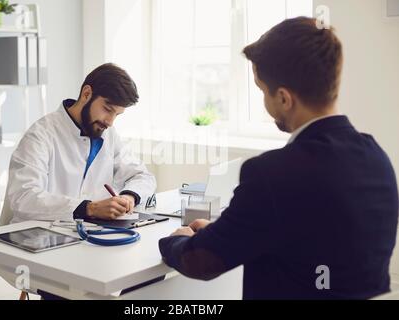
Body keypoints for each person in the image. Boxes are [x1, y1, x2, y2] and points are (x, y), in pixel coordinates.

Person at [159, 17, 398, 299]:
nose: (264, 102)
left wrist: (178, 241)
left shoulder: (270, 173)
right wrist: (229, 231)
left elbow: (200, 261)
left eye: (262, 91)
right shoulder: (377, 159)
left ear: (284, 98)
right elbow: (310, 236)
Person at [3, 63, 156, 224]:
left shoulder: (108, 134)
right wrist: (90, 208)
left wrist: (129, 196)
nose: (110, 122)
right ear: (86, 94)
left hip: (89, 235)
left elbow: (142, 176)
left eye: (117, 114)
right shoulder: (41, 134)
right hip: (41, 235)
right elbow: (24, 197)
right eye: (107, 109)